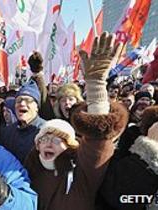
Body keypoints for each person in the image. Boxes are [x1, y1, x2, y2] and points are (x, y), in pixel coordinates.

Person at [24, 32, 129, 210]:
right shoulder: (28, 175)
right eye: (44, 138)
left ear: (71, 146)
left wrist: (96, 87)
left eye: (57, 139)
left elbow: (96, 142)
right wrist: (38, 75)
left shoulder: (81, 175)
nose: (48, 142)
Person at [0, 80, 46, 163]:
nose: (22, 104)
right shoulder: (7, 132)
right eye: (19, 100)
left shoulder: (46, 131)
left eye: (28, 100)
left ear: (37, 107)